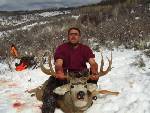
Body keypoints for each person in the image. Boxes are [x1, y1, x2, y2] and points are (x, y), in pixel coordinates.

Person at [42, 27, 99, 113]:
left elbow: (92, 62)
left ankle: (90, 94)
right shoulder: (61, 48)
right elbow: (58, 63)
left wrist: (94, 70)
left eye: (76, 34)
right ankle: (48, 109)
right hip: (66, 76)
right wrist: (59, 71)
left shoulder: (85, 48)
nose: (73, 36)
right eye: (71, 34)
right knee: (50, 89)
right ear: (68, 36)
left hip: (82, 76)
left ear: (79, 36)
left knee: (93, 76)